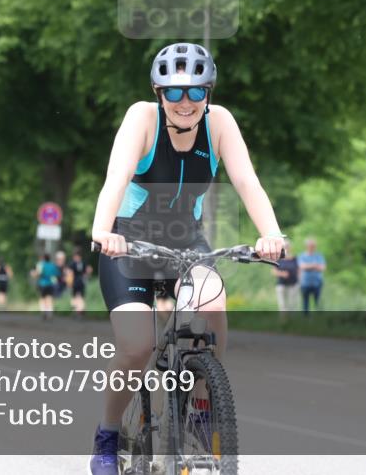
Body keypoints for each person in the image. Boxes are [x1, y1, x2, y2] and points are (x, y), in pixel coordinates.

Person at [89, 43, 286, 475]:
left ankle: (202, 399)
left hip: (186, 243)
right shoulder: (141, 118)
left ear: (208, 94)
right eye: (174, 93)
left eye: (195, 92)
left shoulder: (220, 124)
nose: (184, 103)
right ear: (159, 93)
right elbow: (115, 178)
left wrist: (271, 234)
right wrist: (103, 232)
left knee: (212, 300)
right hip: (130, 243)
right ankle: (107, 436)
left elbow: (247, 181)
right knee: (136, 346)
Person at [297, 238, 326, 315]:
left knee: (318, 301)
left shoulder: (319, 256)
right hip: (305, 283)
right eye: (311, 245)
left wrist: (309, 266)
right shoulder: (302, 256)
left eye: (313, 246)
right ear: (307, 246)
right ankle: (306, 318)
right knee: (305, 302)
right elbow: (302, 267)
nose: (312, 247)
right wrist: (314, 265)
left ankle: (319, 317)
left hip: (317, 282)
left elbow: (322, 268)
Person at [32, 253, 61, 320]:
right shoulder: (53, 265)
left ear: (44, 258)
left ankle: (43, 312)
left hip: (43, 284)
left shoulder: (41, 264)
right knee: (49, 299)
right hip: (51, 284)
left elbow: (38, 273)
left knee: (42, 299)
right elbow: (57, 274)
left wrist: (33, 274)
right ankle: (50, 313)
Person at [67, 250, 92, 318]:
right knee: (80, 296)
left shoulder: (72, 263)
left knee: (75, 296)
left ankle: (77, 310)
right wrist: (86, 276)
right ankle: (80, 309)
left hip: (75, 281)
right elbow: (89, 269)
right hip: (82, 281)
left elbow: (70, 273)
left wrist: (69, 282)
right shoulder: (83, 263)